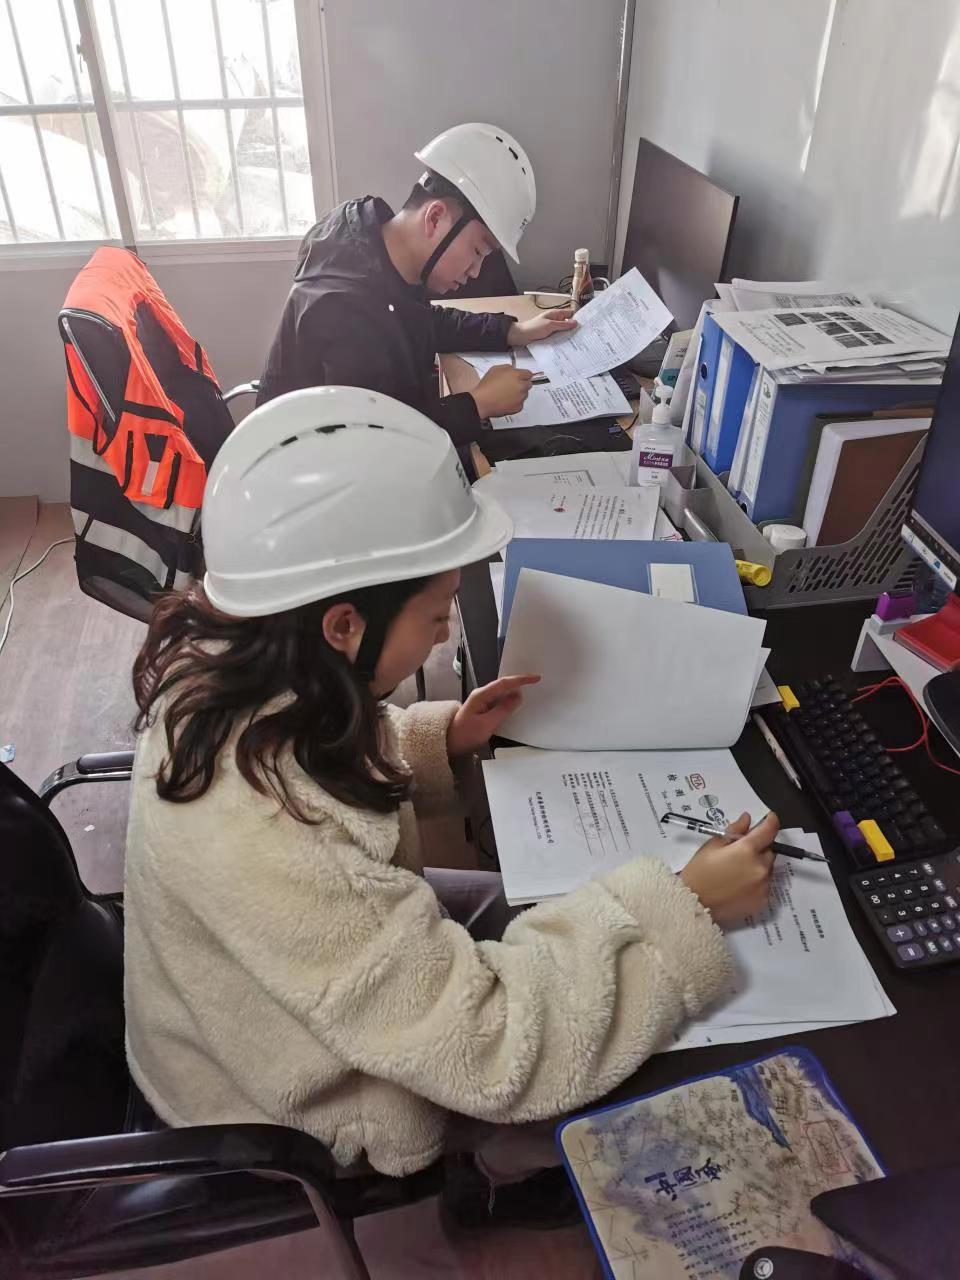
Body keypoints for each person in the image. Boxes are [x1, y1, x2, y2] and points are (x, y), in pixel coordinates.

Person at [124, 386, 778, 1231]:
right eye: (436, 612)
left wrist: (442, 738)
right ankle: (497, 1174)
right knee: (652, 1039)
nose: (443, 634)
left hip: (259, 1003)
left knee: (555, 912)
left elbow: (315, 744)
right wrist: (685, 907)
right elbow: (491, 1048)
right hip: (288, 1098)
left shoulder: (239, 658)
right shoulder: (268, 832)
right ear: (344, 625)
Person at [256, 123, 577, 457]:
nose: (476, 271)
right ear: (435, 218)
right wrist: (478, 404)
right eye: (478, 250)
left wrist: (512, 331)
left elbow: (424, 321)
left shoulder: (374, 249)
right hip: (311, 471)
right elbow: (377, 446)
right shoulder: (347, 310)